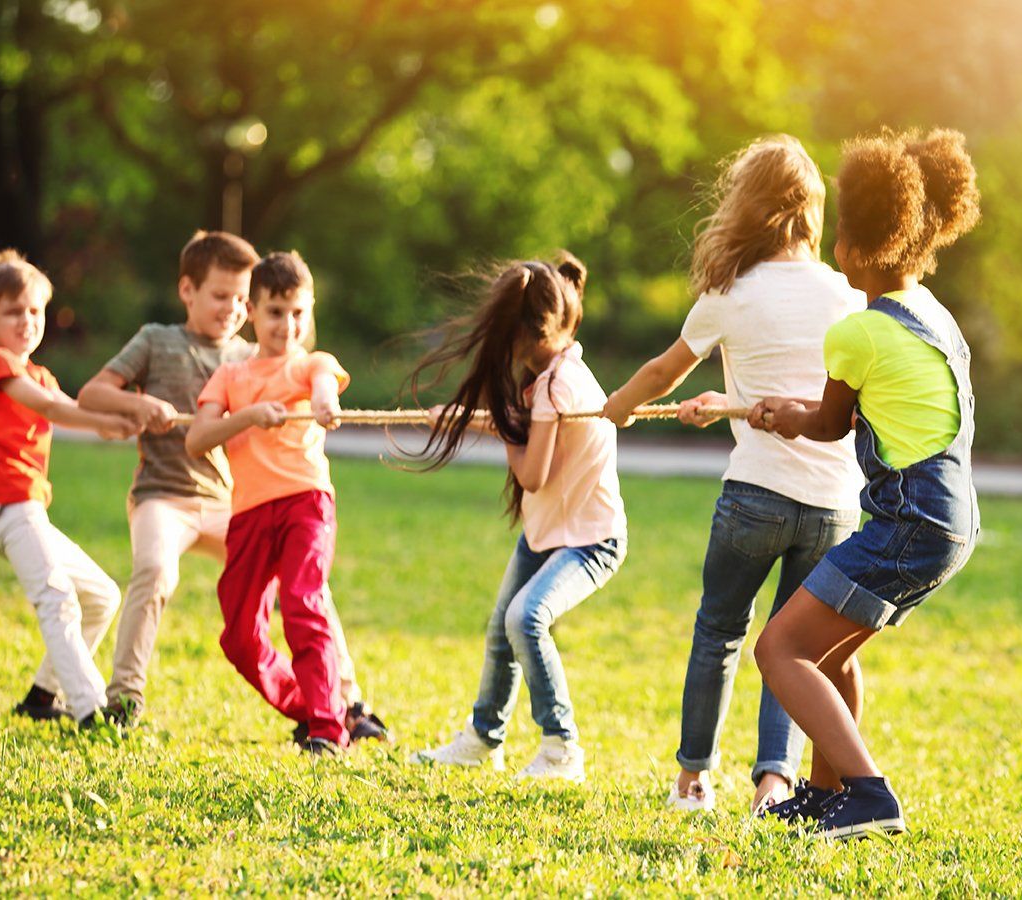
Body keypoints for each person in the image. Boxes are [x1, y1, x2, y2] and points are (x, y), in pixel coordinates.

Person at [603, 135, 865, 812]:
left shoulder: (730, 293)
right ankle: (773, 780)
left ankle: (693, 779)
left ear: (747, 207)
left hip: (755, 496)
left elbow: (664, 371)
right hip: (835, 502)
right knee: (795, 646)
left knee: (718, 630)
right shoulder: (845, 295)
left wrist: (617, 410)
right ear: (811, 211)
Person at [749, 129, 982, 839]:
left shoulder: (857, 332)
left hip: (906, 520)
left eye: (839, 235)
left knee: (777, 651)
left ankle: (868, 791)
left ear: (857, 245)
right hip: (952, 521)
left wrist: (782, 416)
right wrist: (801, 415)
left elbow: (825, 424)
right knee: (830, 652)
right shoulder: (933, 316)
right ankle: (824, 799)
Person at [78, 231, 384, 740]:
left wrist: (324, 397)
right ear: (187, 291)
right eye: (222, 297)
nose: (234, 309)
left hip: (232, 502)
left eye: (244, 299)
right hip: (166, 495)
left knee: (308, 591)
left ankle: (345, 704)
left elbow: (314, 369)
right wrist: (138, 406)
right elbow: (94, 394)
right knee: (157, 572)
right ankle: (125, 695)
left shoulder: (253, 355)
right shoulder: (160, 340)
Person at [409, 253, 626, 784]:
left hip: (589, 540)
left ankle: (561, 747)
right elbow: (536, 440)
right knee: (500, 631)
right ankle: (484, 738)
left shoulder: (556, 386)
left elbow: (531, 471)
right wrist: (476, 421)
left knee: (524, 620)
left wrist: (498, 427)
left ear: (521, 334)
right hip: (549, 531)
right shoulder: (560, 370)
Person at [185, 250, 352, 755]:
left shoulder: (312, 364)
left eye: (299, 312)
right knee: (238, 636)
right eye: (276, 312)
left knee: (303, 601)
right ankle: (311, 707)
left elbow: (324, 387)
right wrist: (249, 416)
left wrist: (325, 404)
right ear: (251, 311)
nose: (288, 324)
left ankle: (327, 726)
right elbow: (198, 439)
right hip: (251, 513)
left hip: (307, 503)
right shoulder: (231, 377)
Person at [0, 249, 139, 727]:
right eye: (12, 311)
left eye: (35, 311)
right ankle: (92, 712)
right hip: (4, 508)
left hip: (27, 511)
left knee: (101, 595)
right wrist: (111, 417)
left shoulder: (39, 373)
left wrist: (125, 419)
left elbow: (76, 410)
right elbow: (55, 409)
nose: (26, 321)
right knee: (58, 598)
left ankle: (42, 697)